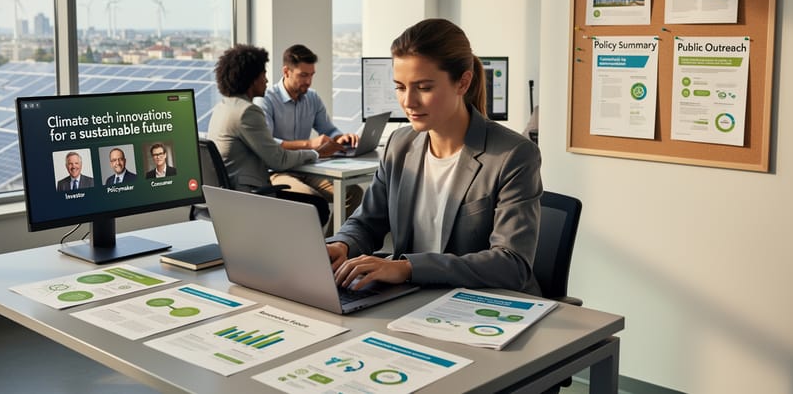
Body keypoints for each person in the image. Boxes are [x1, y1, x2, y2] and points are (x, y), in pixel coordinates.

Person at [326, 18, 543, 295]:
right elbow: (367, 222)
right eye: (401, 87)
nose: (408, 101)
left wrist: (406, 268)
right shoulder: (399, 145)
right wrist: (341, 244)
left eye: (424, 87)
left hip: (482, 306)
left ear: (463, 82)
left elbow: (512, 264)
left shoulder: (512, 155)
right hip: (412, 301)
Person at [207, 44, 337, 209]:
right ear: (251, 79)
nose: (267, 80)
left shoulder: (223, 107)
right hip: (248, 193)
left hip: (229, 194)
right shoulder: (248, 112)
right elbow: (279, 160)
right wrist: (314, 152)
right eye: (263, 75)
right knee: (316, 206)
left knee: (322, 202)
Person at [255, 44, 363, 219]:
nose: (308, 81)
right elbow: (268, 143)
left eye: (311, 75)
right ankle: (311, 246)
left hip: (307, 168)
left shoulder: (312, 98)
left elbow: (328, 129)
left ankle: (330, 244)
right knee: (311, 200)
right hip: (277, 171)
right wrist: (309, 144)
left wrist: (341, 137)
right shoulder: (266, 100)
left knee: (353, 193)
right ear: (286, 71)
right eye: (303, 75)